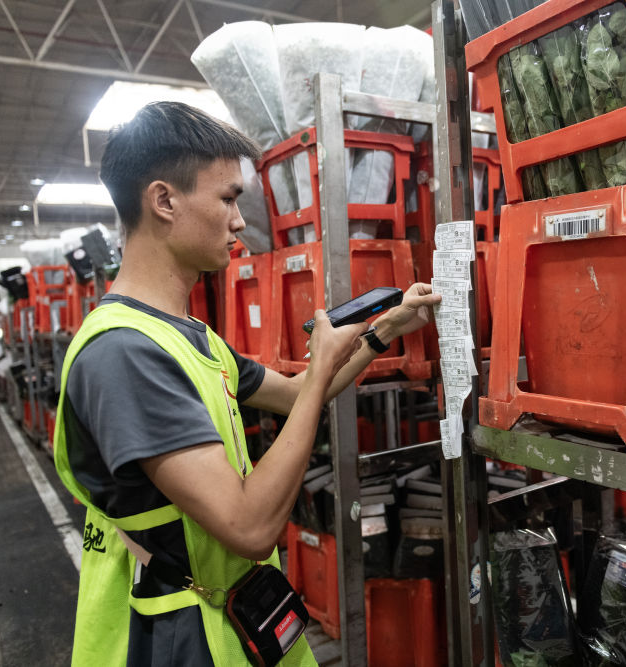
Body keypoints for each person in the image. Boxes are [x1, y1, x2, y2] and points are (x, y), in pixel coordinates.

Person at [52, 101, 440, 666]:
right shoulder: (125, 354)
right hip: (175, 637)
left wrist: (385, 330)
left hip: (227, 620)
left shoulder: (190, 337)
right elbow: (249, 525)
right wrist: (316, 379)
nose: (238, 221)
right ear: (164, 201)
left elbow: (302, 391)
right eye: (227, 199)